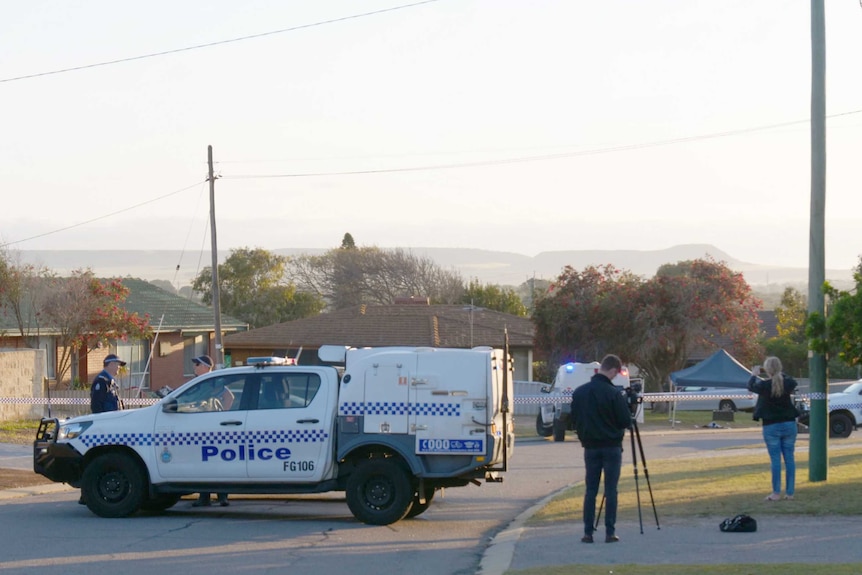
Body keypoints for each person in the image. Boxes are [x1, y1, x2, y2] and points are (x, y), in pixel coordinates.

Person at [570, 354, 632, 543]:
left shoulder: (580, 393)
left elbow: (575, 420)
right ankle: (609, 532)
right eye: (615, 374)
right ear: (612, 370)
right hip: (611, 447)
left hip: (590, 447)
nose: (615, 377)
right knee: (611, 490)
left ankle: (588, 532)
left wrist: (584, 437)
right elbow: (624, 421)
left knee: (591, 490)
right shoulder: (614, 394)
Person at [748, 356, 798, 501]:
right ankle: (790, 492)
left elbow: (751, 386)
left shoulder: (764, 386)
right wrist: (780, 373)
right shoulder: (787, 383)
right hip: (789, 424)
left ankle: (776, 492)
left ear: (767, 370)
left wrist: (754, 375)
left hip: (771, 425)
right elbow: (792, 381)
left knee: (775, 459)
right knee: (789, 458)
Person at [190, 355, 230, 508]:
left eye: (197, 365)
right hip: (206, 425)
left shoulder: (212, 382)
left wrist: (222, 415)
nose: (195, 367)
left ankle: (214, 497)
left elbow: (229, 397)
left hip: (208, 426)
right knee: (210, 462)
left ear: (206, 367)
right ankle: (215, 497)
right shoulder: (207, 382)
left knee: (210, 462)